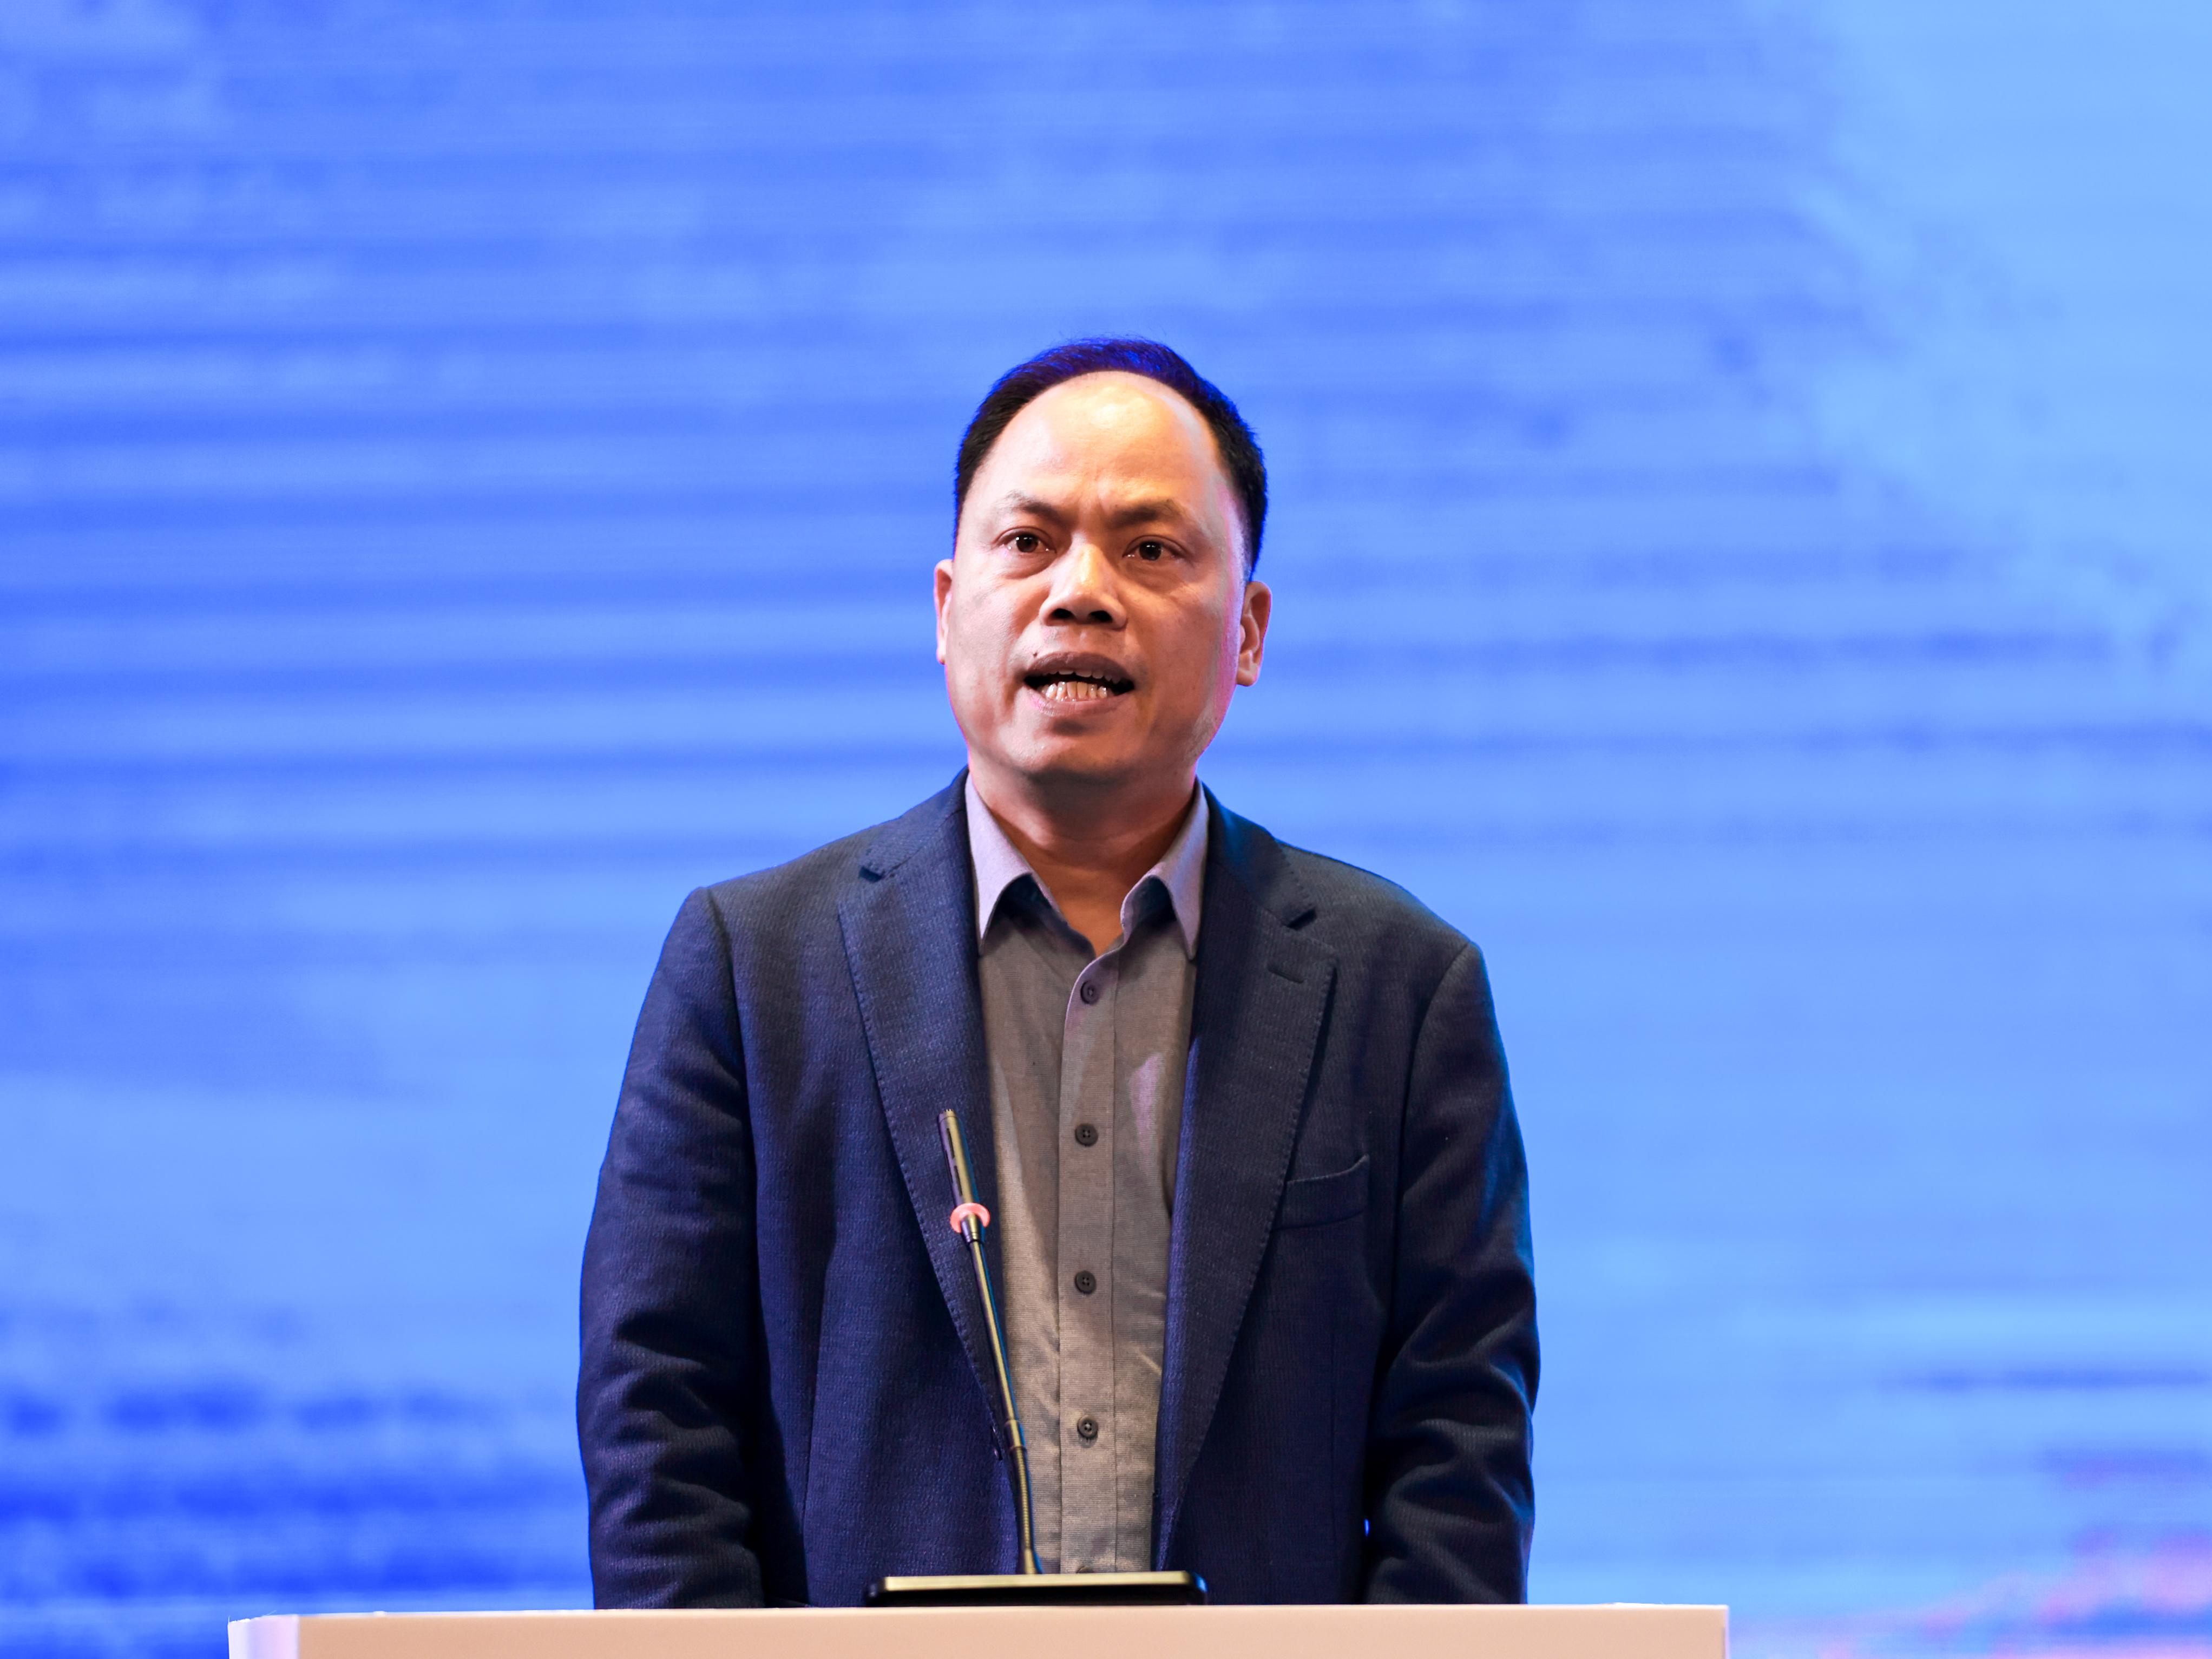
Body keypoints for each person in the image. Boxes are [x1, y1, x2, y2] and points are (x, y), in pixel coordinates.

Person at [578, 338, 1537, 1608]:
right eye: (1028, 542)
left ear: (1249, 631)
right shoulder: (753, 973)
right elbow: (660, 1424)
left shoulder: (1400, 991)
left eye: (1152, 549)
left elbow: (1457, 1455)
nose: (1082, 592)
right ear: (944, 607)